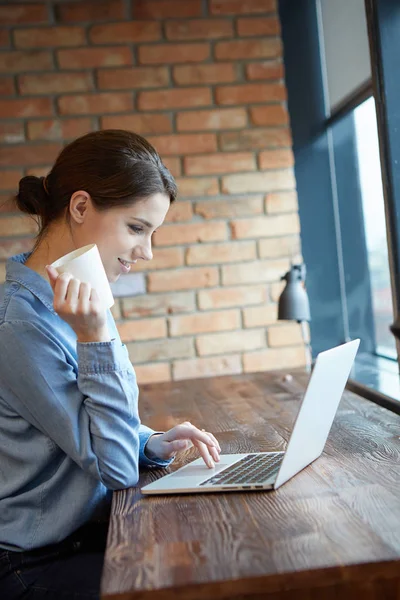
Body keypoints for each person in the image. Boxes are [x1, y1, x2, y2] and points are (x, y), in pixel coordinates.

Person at [0, 130, 221, 599]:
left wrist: (150, 441)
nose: (146, 252)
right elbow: (114, 468)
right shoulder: (18, 327)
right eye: (137, 228)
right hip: (35, 564)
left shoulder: (80, 295)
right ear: (80, 207)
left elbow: (101, 432)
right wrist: (97, 335)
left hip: (92, 535)